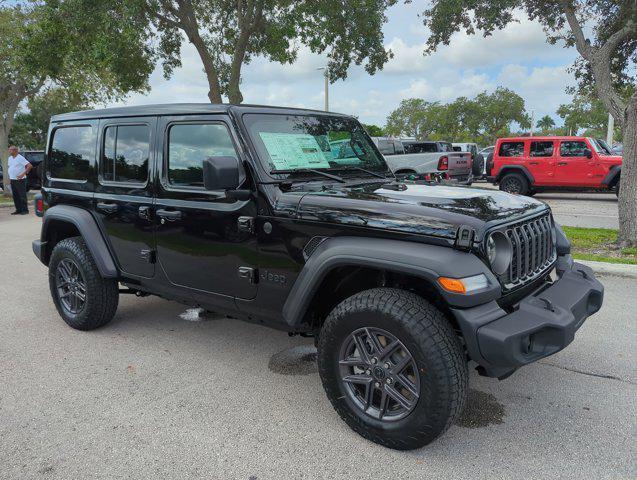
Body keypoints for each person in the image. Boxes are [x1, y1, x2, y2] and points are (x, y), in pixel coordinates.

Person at [7, 146, 32, 215]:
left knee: (22, 195)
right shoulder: (10, 158)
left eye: (10, 150)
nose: (9, 151)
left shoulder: (20, 158)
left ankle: (25, 210)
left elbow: (29, 166)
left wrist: (23, 174)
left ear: (15, 150)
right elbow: (10, 167)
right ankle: (18, 209)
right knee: (15, 196)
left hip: (20, 180)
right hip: (13, 179)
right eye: (9, 150)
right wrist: (10, 177)